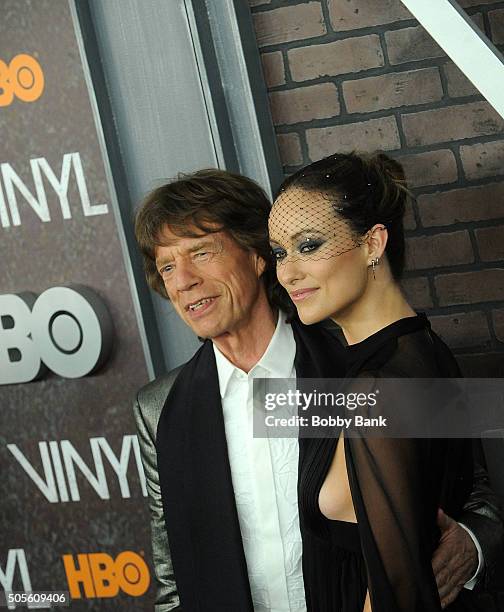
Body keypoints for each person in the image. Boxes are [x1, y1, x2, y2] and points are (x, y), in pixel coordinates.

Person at [132, 168, 502, 612]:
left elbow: (475, 490)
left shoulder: (360, 363)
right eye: (167, 265)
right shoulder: (160, 409)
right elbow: (173, 581)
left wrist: (471, 546)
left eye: (202, 252)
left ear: (256, 256)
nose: (182, 280)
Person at [268, 152, 503, 611]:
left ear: (372, 243)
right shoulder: (420, 350)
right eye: (280, 252)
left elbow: (398, 587)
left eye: (309, 245)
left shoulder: (379, 386)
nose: (287, 271)